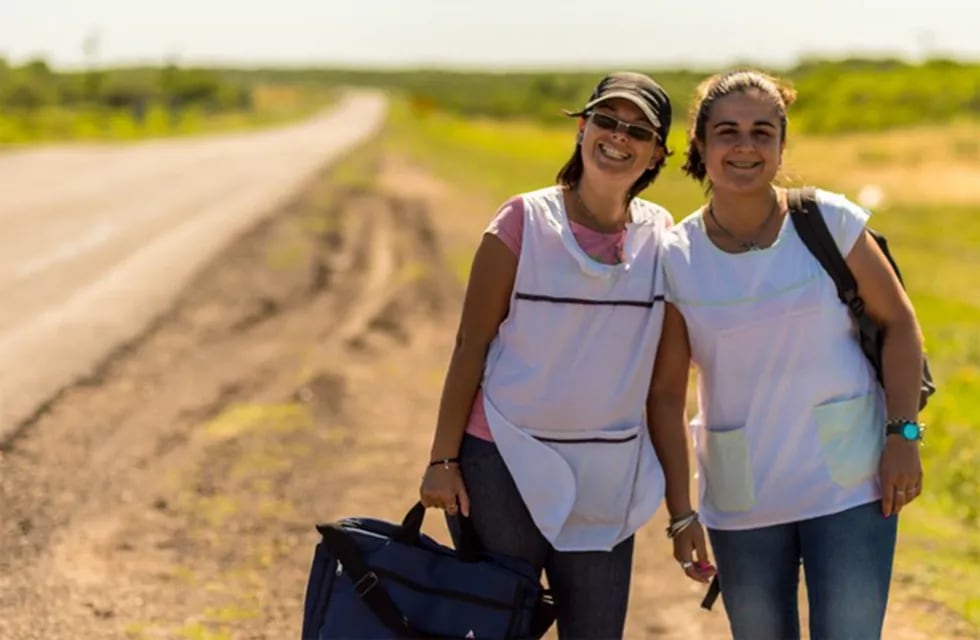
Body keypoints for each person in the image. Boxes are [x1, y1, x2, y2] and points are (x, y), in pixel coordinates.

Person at [419, 71, 715, 639]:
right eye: (605, 121)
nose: (618, 137)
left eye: (638, 130)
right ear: (582, 129)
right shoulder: (521, 222)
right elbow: (470, 347)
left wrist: (682, 513)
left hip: (607, 478)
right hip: (501, 465)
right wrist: (442, 459)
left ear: (657, 153)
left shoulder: (664, 241)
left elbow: (665, 393)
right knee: (501, 627)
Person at [650, 69, 926, 640]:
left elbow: (899, 322)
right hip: (740, 501)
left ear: (781, 144)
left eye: (762, 132)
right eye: (727, 132)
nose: (745, 147)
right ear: (700, 144)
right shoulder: (677, 256)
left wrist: (904, 435)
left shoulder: (830, 221)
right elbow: (667, 395)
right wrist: (682, 511)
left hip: (851, 488)